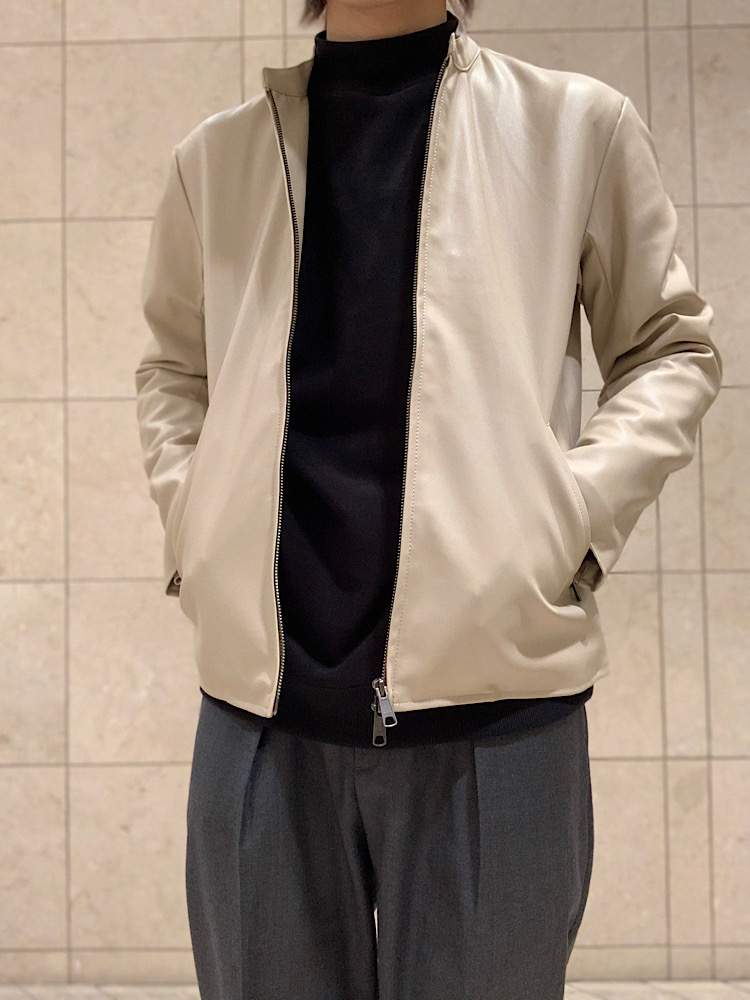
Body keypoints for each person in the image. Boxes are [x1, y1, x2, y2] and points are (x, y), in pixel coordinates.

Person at [134, 1, 723, 997]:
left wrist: (567, 518)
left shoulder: (575, 127)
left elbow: (670, 348)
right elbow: (173, 371)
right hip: (257, 722)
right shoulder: (215, 160)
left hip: (497, 720)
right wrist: (195, 522)